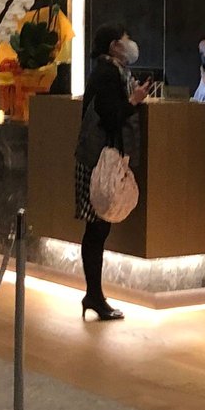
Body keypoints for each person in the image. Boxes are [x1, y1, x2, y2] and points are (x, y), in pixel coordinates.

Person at [75, 24, 151, 321]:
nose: (130, 43)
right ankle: (94, 295)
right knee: (97, 229)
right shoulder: (108, 74)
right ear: (113, 46)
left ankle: (94, 295)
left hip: (95, 157)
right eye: (125, 39)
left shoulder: (109, 71)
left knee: (97, 229)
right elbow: (111, 116)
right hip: (99, 160)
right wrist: (134, 101)